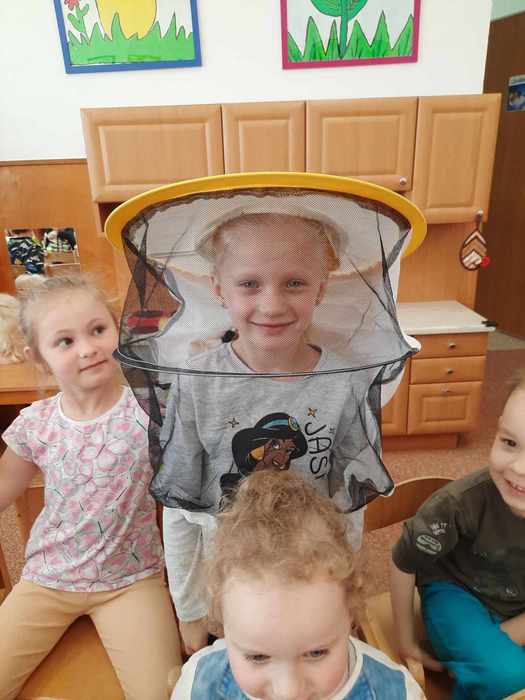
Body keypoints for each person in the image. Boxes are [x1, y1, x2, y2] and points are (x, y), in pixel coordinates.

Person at [158, 211, 400, 655]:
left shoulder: (345, 382)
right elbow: (181, 509)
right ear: (219, 289)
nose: (271, 305)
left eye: (294, 283)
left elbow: (350, 503)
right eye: (250, 283)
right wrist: (189, 610)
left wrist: (342, 593)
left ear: (320, 289)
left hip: (312, 582)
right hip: (227, 587)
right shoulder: (196, 381)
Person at [0, 274, 181, 700]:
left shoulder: (151, 411)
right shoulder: (36, 423)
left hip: (131, 581)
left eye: (98, 330)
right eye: (65, 341)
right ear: (38, 358)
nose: (87, 348)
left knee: (162, 694)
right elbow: (4, 485)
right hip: (48, 579)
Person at [172, 469, 424, 699]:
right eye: (258, 657)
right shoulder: (198, 686)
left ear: (350, 610)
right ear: (222, 619)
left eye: (316, 653)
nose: (288, 692)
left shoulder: (397, 693)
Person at [390, 370, 525, 699]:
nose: (519, 468)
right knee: (508, 678)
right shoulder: (458, 504)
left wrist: (504, 635)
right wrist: (406, 641)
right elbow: (403, 561)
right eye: (509, 443)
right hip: (457, 593)